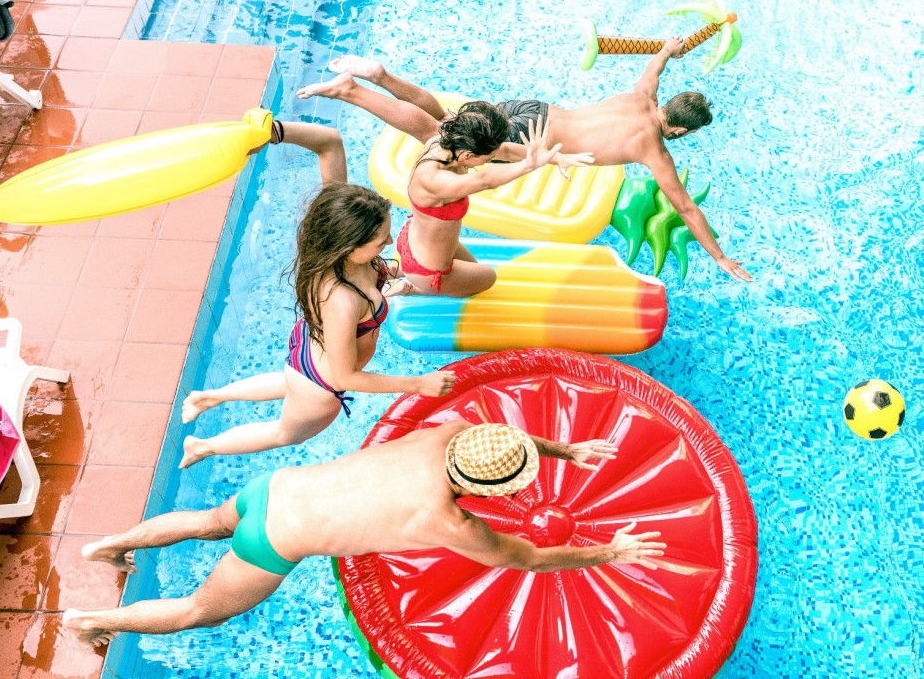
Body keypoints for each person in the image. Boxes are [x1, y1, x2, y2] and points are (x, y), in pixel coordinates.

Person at [63, 423, 666, 646]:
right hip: (276, 540)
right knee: (200, 611)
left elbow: (498, 439)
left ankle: (111, 544)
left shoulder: (449, 433)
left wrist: (564, 449)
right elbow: (531, 559)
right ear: (491, 491)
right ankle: (91, 621)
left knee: (206, 522)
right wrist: (610, 551)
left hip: (274, 489)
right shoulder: (448, 521)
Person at [297, 40, 753, 283]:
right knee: (436, 133)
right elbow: (685, 207)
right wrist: (719, 256)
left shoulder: (642, 96)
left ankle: (377, 78)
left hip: (531, 111)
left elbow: (656, 65)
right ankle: (364, 85)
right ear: (681, 130)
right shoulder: (654, 149)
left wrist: (669, 49)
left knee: (446, 124)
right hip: (532, 137)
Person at [178, 121, 455, 469]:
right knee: (284, 434)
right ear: (349, 245)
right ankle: (202, 446)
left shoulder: (332, 234)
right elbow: (344, 378)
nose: (389, 241)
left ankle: (210, 397)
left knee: (291, 381)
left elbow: (329, 141)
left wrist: (271, 130)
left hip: (309, 351)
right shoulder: (343, 300)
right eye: (380, 241)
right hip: (322, 384)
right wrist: (417, 383)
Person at [296, 77, 590, 298]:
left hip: (418, 242)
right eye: (486, 158)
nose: (491, 160)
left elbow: (410, 109)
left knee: (472, 266)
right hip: (427, 270)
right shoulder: (435, 179)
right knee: (487, 278)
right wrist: (529, 165)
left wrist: (555, 157)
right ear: (469, 155)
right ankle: (410, 287)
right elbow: (484, 180)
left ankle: (393, 270)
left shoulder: (444, 140)